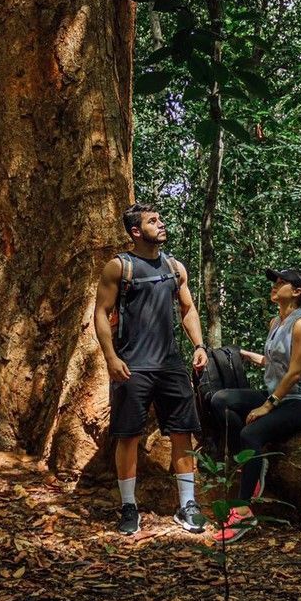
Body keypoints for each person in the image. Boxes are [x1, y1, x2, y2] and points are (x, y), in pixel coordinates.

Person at [94, 203, 210, 535]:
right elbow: (101, 312)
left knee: (181, 433)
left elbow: (187, 308)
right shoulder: (120, 267)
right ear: (135, 231)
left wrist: (199, 345)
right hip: (132, 366)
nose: (161, 224)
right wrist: (110, 357)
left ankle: (188, 505)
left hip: (170, 365)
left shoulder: (174, 267)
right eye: (153, 221)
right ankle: (129, 507)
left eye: (161, 218)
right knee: (128, 435)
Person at [210, 267, 301, 544]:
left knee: (251, 433)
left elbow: (295, 372)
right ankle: (255, 461)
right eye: (275, 281)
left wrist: (267, 406)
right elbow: (274, 362)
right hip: (277, 393)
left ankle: (243, 510)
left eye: (282, 282)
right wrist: (244, 354)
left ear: (296, 292)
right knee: (220, 401)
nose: (275, 286)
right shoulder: (276, 322)